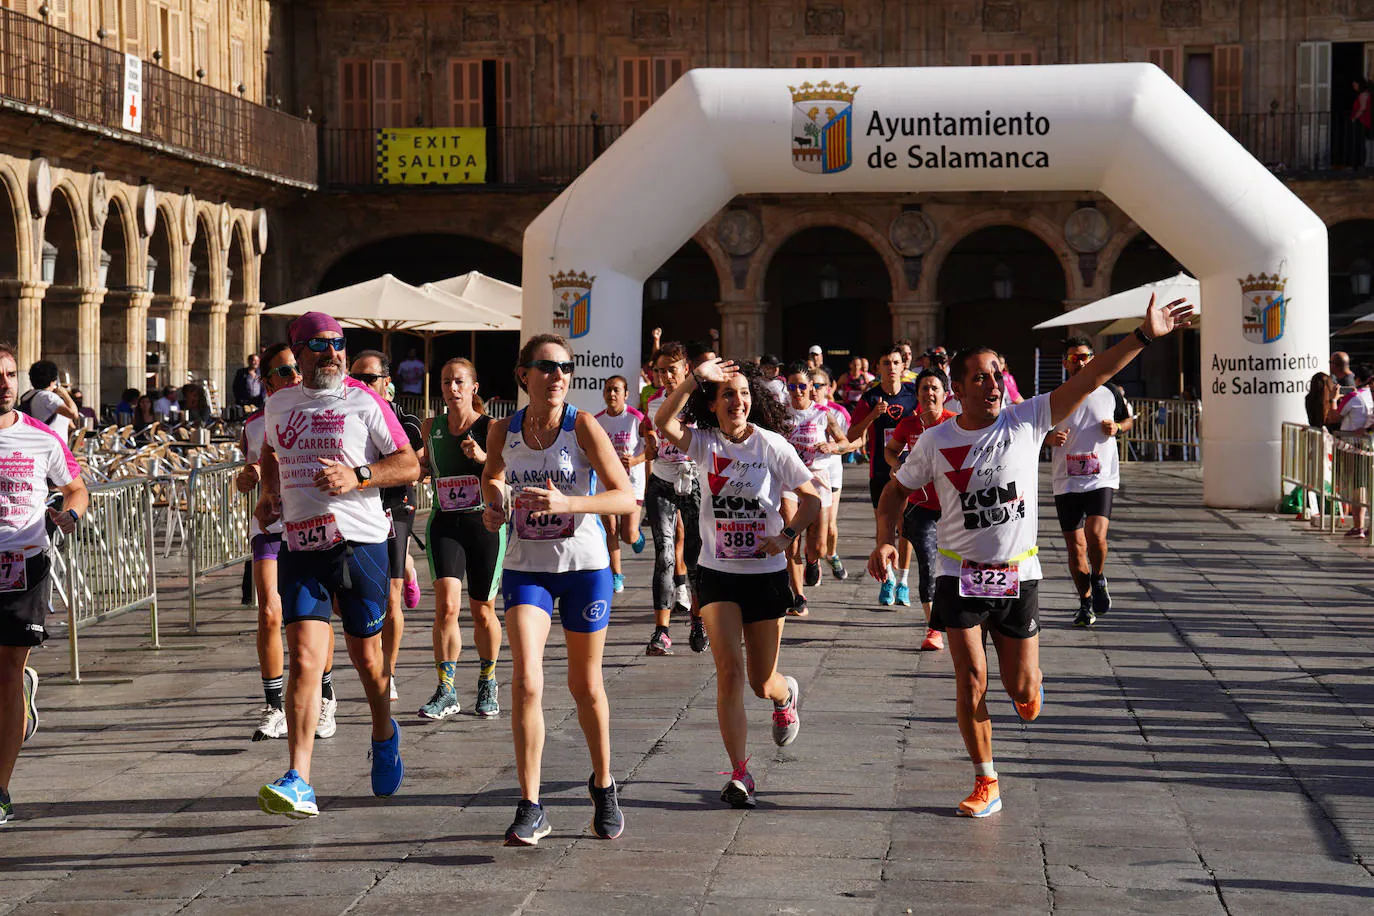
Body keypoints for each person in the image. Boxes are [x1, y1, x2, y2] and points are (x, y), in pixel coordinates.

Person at [868, 294, 1194, 819]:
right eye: (980, 377)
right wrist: (885, 538)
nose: (994, 383)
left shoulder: (1026, 419)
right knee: (970, 677)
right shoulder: (935, 440)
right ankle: (986, 780)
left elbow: (1089, 381)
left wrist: (1144, 336)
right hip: (959, 573)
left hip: (1019, 573)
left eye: (998, 374)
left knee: (1021, 688)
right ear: (958, 390)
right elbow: (892, 493)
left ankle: (1028, 688)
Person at [253, 312, 420, 819]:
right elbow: (269, 451)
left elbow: (410, 463)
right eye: (320, 346)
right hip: (302, 548)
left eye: (338, 345)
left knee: (368, 664)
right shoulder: (279, 403)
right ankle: (300, 777)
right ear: (297, 354)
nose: (332, 354)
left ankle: (383, 728)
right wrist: (268, 492)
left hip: (360, 547)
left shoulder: (363, 400)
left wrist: (360, 475)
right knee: (304, 660)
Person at [480, 333, 633, 846]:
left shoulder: (583, 425)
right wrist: (496, 506)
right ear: (523, 375)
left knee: (585, 686)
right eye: (546, 367)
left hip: (585, 567)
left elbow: (625, 497)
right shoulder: (505, 429)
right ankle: (531, 804)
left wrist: (569, 505)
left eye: (566, 367)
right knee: (525, 682)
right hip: (528, 568)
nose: (558, 376)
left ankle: (604, 785)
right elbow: (491, 479)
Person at [654, 357, 817, 807]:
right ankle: (741, 773)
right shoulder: (704, 444)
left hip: (764, 577)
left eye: (745, 393)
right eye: (728, 393)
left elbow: (812, 502)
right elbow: (662, 420)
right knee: (729, 672)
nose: (738, 401)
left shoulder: (773, 446)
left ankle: (785, 696)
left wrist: (785, 538)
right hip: (718, 573)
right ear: (714, 403)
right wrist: (693, 378)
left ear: (754, 401)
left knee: (760, 682)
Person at [0, 341, 88, 825]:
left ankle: (0, 790)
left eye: (10, 374)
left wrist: (68, 516)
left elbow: (75, 487)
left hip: (24, 563)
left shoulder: (41, 437)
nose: (4, 383)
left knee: (7, 670)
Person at [237, 343, 337, 742]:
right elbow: (252, 472)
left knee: (315, 617)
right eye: (283, 371)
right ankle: (274, 705)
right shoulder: (255, 424)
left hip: (311, 526)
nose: (294, 376)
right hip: (270, 529)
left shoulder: (324, 410)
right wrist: (246, 480)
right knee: (269, 614)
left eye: (297, 368)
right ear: (266, 382)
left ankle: (325, 695)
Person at [417, 358, 505, 720]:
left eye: (458, 382)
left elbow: (506, 470)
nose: (451, 388)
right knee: (446, 607)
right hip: (445, 524)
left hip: (484, 524)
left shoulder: (493, 427)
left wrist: (483, 458)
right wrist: (415, 473)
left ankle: (488, 679)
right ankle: (446, 688)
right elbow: (423, 465)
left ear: (473, 387)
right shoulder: (430, 427)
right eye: (445, 382)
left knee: (482, 610)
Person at [350, 351, 424, 702]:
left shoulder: (403, 420)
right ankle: (408, 565)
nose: (361, 386)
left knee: (392, 594)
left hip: (395, 505)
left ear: (385, 382)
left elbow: (418, 464)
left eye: (369, 379)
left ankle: (388, 671)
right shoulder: (344, 414)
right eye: (355, 378)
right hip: (360, 509)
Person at [1046, 337, 1135, 628]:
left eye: (1084, 357)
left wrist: (1118, 427)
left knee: (1095, 535)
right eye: (1073, 358)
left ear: (1093, 359)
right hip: (1067, 480)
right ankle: (1085, 604)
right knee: (1075, 548)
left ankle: (1098, 577)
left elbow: (1128, 419)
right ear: (1065, 363)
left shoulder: (1110, 391)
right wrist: (1048, 438)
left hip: (1101, 477)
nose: (1079, 362)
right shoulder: (1055, 396)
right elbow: (1033, 430)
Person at [884, 367, 957, 651]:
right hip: (921, 506)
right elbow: (891, 450)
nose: (929, 393)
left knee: (956, 566)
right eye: (924, 388)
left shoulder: (955, 424)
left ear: (945, 394)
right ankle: (933, 629)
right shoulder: (909, 425)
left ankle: (963, 616)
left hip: (954, 508)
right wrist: (897, 465)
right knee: (928, 563)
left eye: (934, 388)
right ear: (916, 395)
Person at [642, 342, 706, 656]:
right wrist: (650, 441)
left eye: (672, 369)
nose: (666, 375)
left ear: (686, 369)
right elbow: (648, 433)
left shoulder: (702, 402)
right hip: (662, 482)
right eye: (661, 370)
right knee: (665, 554)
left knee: (695, 558)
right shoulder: (653, 403)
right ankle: (661, 631)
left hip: (694, 484)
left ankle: (698, 621)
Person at [781, 365, 855, 617]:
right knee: (790, 535)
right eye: (792, 386)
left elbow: (846, 443)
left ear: (811, 388)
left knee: (819, 546)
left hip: (817, 479)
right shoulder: (780, 414)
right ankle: (798, 597)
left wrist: (832, 447)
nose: (797, 391)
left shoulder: (823, 413)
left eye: (802, 386)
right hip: (789, 480)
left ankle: (813, 561)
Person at [848, 345, 919, 606]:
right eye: (886, 363)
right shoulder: (870, 398)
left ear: (903, 367)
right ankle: (887, 580)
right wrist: (871, 417)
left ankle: (903, 582)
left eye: (895, 363)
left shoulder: (913, 396)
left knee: (906, 529)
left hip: (909, 473)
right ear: (878, 368)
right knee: (884, 529)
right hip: (879, 472)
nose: (891, 368)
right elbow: (852, 435)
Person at [595, 376, 647, 595]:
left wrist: (635, 460)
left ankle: (637, 535)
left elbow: (651, 450)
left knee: (628, 535)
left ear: (626, 394)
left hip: (632, 483)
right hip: (605, 483)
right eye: (608, 390)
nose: (611, 394)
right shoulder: (597, 420)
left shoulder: (637, 418)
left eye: (616, 390)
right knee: (611, 530)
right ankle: (616, 575)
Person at [810, 368, 851, 580]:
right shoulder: (801, 410)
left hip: (832, 473)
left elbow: (849, 444)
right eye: (812, 385)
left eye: (819, 386)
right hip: (808, 473)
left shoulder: (837, 413)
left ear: (829, 388)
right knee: (810, 526)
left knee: (830, 528)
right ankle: (813, 562)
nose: (814, 390)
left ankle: (832, 554)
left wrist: (832, 446)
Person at [1327, 363, 1374, 538]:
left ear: (1358, 379)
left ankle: (1358, 526)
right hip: (1369, 446)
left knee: (1358, 488)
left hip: (1354, 448)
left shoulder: (1353, 397)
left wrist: (1333, 399)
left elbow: (1332, 417)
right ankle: (1368, 526)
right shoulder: (1370, 396)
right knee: (1369, 487)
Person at [18, 361, 77, 444]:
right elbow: (74, 414)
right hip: (51, 446)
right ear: (52, 381)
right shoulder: (49, 397)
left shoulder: (29, 395)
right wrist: (65, 394)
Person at [1352, 79, 1373, 168]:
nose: (1354, 87)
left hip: (1365, 121)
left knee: (1368, 142)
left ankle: (1368, 162)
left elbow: (1363, 108)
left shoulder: (1363, 94)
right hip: (1367, 121)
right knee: (1369, 142)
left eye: (1355, 85)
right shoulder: (1366, 94)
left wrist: (1355, 117)